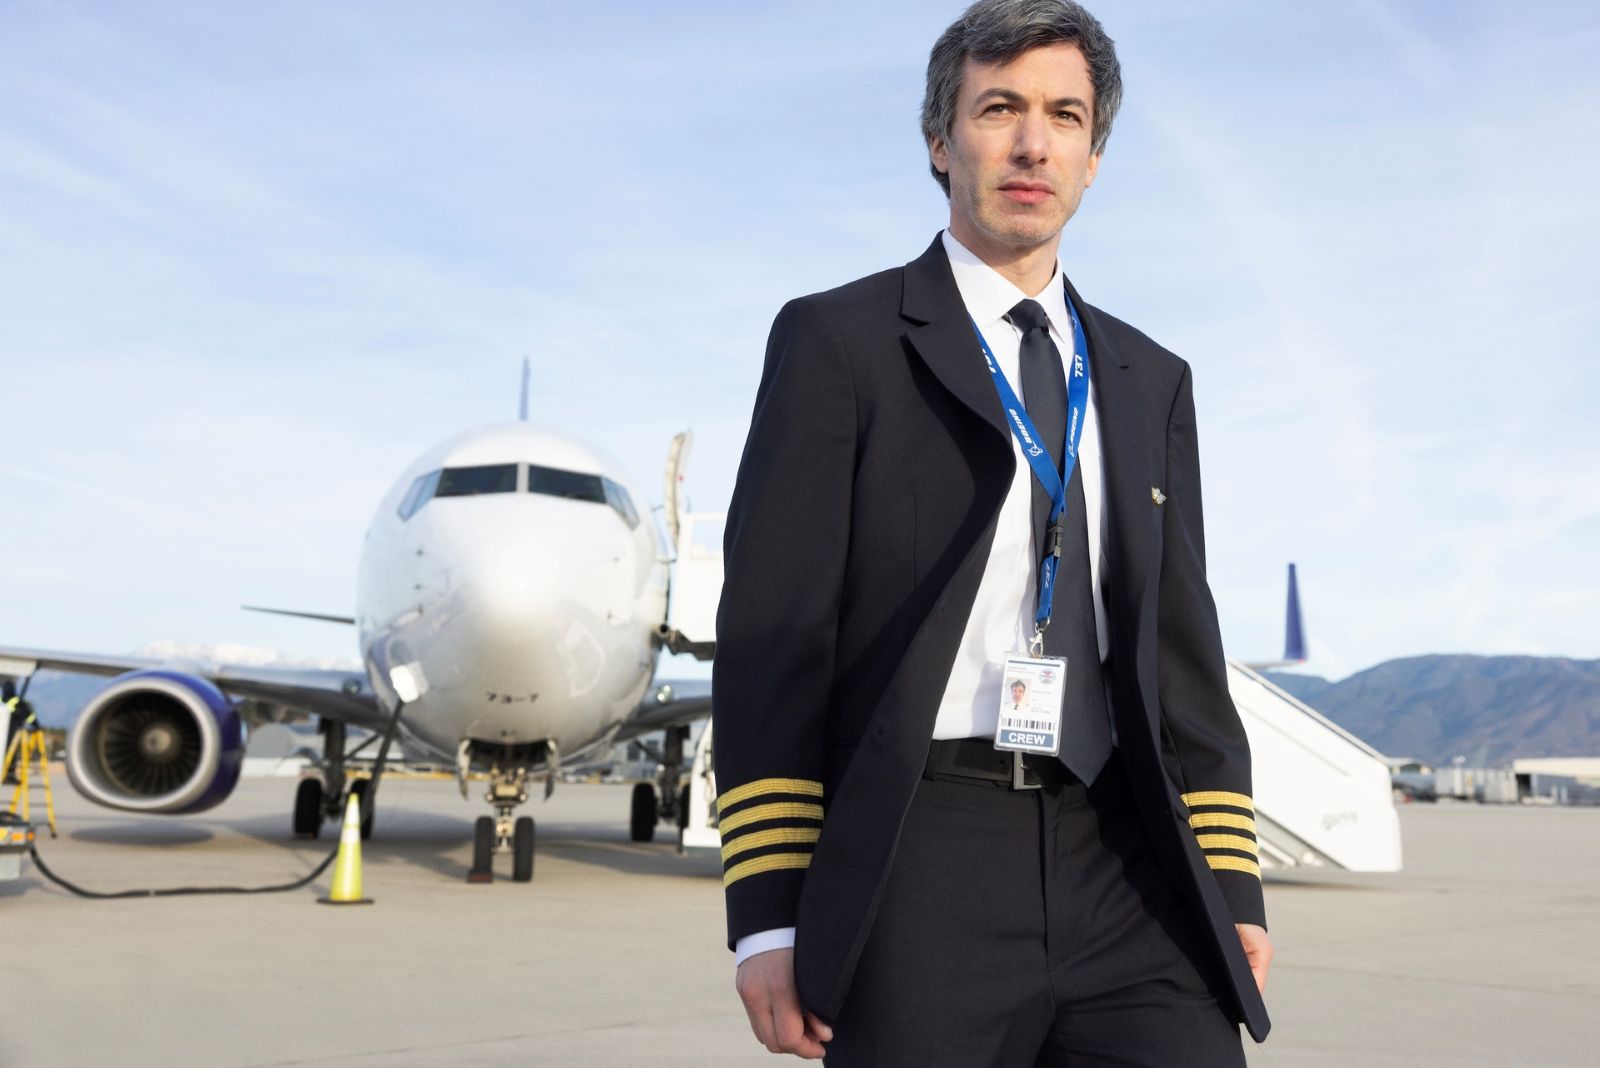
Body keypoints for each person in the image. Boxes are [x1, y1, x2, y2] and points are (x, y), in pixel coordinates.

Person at [711, 1, 1272, 1063]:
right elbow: (772, 646)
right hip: (924, 859)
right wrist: (770, 913)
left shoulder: (1149, 380)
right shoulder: (841, 342)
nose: (1031, 142)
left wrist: (1229, 879)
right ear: (939, 139)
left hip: (1129, 858)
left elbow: (1181, 657)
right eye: (998, 108)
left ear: (1093, 156)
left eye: (1064, 115)